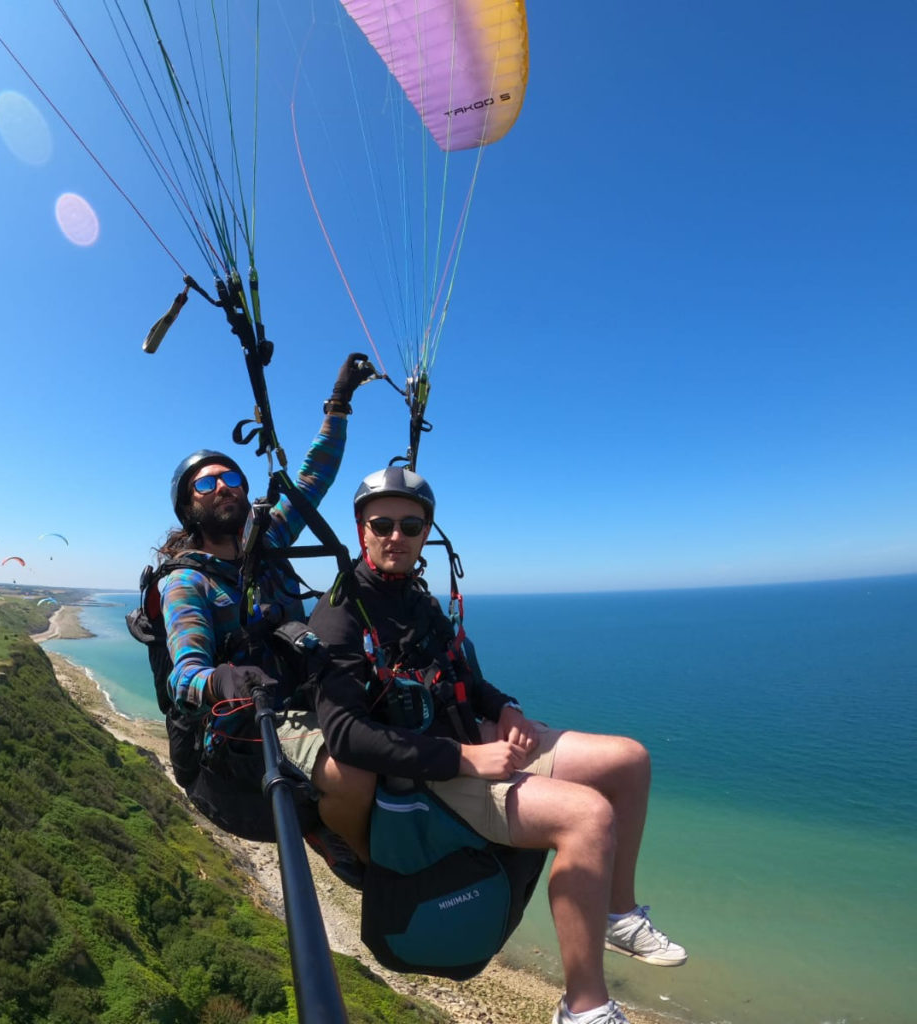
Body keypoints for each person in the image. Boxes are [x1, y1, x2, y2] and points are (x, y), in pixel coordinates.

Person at [307, 467, 687, 1024]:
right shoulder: (339, 615)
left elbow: (463, 676)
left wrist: (504, 708)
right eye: (382, 523)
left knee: (630, 760)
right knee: (588, 817)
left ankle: (617, 914)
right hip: (435, 773)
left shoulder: (419, 603)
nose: (396, 536)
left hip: (474, 741)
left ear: (426, 532)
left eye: (410, 525)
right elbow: (344, 733)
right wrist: (463, 758)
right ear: (361, 530)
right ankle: (584, 1007)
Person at [157, 354, 375, 868]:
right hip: (247, 732)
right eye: (206, 484)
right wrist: (223, 681)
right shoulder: (188, 583)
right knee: (357, 772)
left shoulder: (270, 540)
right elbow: (183, 676)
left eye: (230, 477)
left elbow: (313, 476)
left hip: (304, 696)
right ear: (190, 508)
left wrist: (338, 403)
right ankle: (359, 854)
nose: (224, 486)